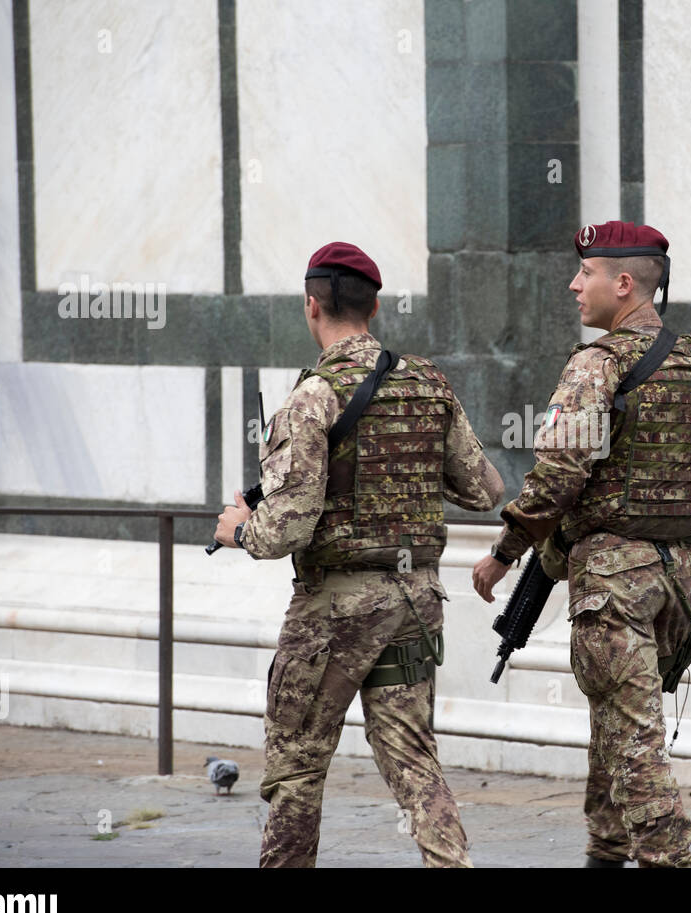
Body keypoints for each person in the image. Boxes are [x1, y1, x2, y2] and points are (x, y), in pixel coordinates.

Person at [471, 220, 691, 867]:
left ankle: (666, 855)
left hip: (612, 582)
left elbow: (558, 475)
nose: (575, 285)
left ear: (623, 282)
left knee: (634, 742)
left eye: (587, 273)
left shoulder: (596, 364)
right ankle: (606, 850)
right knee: (618, 723)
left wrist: (506, 549)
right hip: (679, 576)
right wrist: (669, 488)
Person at [215, 241, 504, 868]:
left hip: (334, 609)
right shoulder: (429, 383)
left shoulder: (312, 397)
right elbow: (485, 489)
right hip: (415, 600)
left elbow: (287, 528)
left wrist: (239, 529)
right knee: (413, 759)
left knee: (296, 765)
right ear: (374, 306)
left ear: (312, 305)